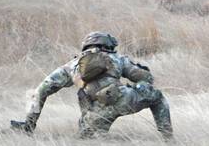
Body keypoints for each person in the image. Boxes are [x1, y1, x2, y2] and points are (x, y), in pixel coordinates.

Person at [13, 31, 173, 138]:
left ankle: (30, 128)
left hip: (94, 115)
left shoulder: (72, 65)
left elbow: (40, 91)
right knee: (157, 97)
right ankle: (167, 137)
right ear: (108, 45)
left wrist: (29, 123)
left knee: (90, 142)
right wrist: (139, 87)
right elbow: (146, 77)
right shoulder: (117, 59)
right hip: (124, 99)